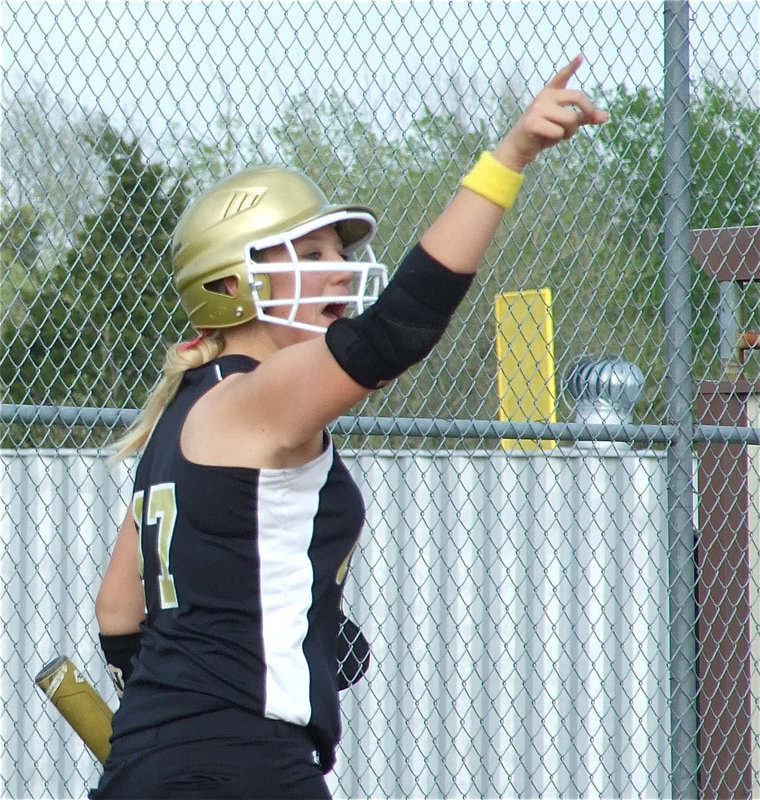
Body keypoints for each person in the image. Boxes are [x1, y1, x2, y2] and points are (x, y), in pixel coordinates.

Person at [89, 55, 607, 800]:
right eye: (311, 255)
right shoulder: (257, 398)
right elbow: (398, 328)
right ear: (231, 284)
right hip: (246, 766)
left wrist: (169, 719)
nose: (339, 270)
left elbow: (119, 609)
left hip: (149, 766)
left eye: (340, 252)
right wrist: (511, 156)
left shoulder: (182, 410)